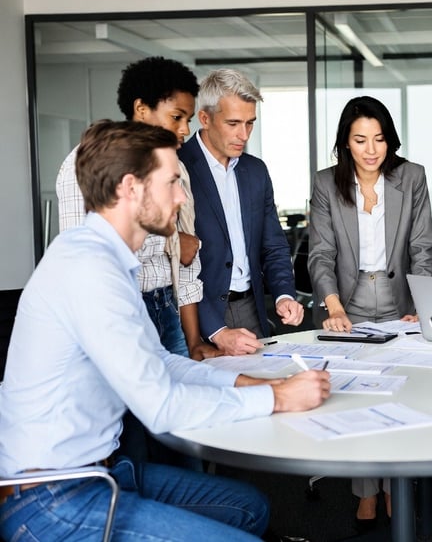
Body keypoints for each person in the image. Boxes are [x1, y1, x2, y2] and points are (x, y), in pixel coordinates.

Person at [0, 120, 331, 541]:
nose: (181, 197)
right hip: (53, 501)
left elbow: (162, 365)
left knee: (249, 507)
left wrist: (253, 382)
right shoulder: (89, 271)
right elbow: (161, 406)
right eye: (173, 182)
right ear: (131, 188)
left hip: (104, 473)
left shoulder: (108, 260)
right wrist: (277, 398)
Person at [307, 95, 432, 528]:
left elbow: (422, 249)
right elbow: (320, 254)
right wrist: (333, 306)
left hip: (399, 296)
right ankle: (366, 488)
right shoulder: (327, 184)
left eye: (379, 139)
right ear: (346, 142)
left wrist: (420, 307)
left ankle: (393, 485)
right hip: (350, 298)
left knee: (401, 390)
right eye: (360, 139)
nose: (370, 149)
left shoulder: (411, 177)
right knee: (357, 395)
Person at [56, 56, 204, 358]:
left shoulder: (177, 168)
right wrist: (171, 240)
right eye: (177, 117)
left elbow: (189, 258)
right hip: (119, 311)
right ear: (141, 109)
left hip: (168, 309)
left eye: (188, 119)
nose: (185, 129)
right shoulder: (86, 163)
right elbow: (84, 254)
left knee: (180, 395)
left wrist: (195, 342)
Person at [178, 69, 304, 357]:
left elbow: (273, 245)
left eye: (250, 123)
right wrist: (216, 331)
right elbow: (177, 264)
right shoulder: (177, 167)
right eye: (233, 123)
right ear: (205, 118)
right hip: (199, 318)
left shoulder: (255, 171)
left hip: (252, 312)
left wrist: (284, 294)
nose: (243, 134)